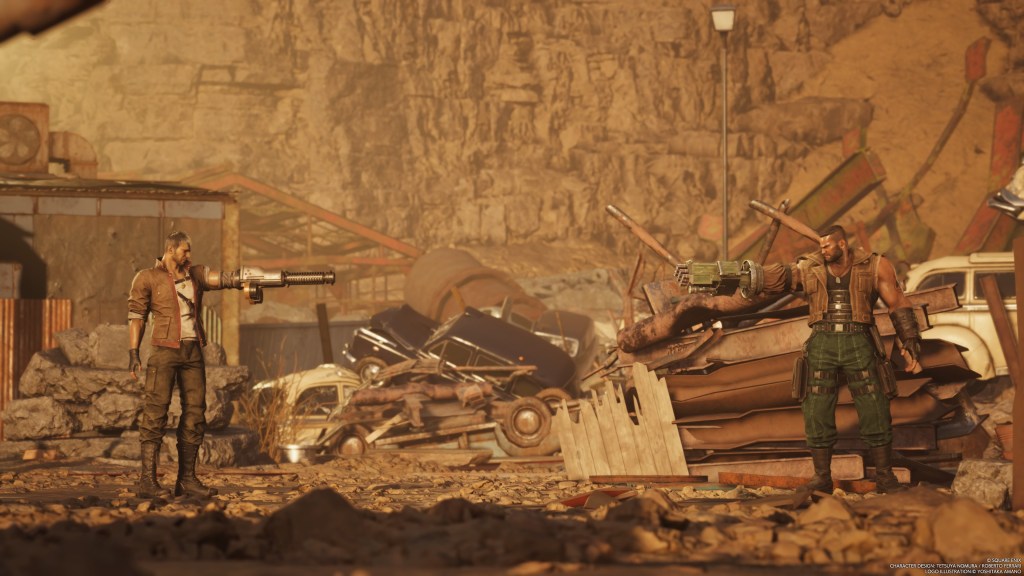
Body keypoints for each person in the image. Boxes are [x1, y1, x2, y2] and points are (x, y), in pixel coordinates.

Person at [678, 224, 922, 493]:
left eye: (827, 245)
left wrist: (909, 338)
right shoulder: (809, 267)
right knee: (816, 407)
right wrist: (713, 274)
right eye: (821, 245)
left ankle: (885, 477)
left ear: (842, 244)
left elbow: (898, 302)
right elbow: (772, 277)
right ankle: (822, 477)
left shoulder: (875, 265)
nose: (823, 250)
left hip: (859, 340)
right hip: (822, 341)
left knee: (874, 405)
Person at [128, 231, 237, 499]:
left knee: (196, 413)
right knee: (155, 413)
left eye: (189, 250)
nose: (188, 255)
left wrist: (246, 281)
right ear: (171, 250)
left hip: (193, 352)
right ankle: (147, 482)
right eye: (184, 250)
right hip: (164, 350)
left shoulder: (195, 274)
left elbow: (224, 279)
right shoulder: (147, 277)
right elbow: (136, 316)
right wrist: (133, 352)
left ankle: (187, 480)